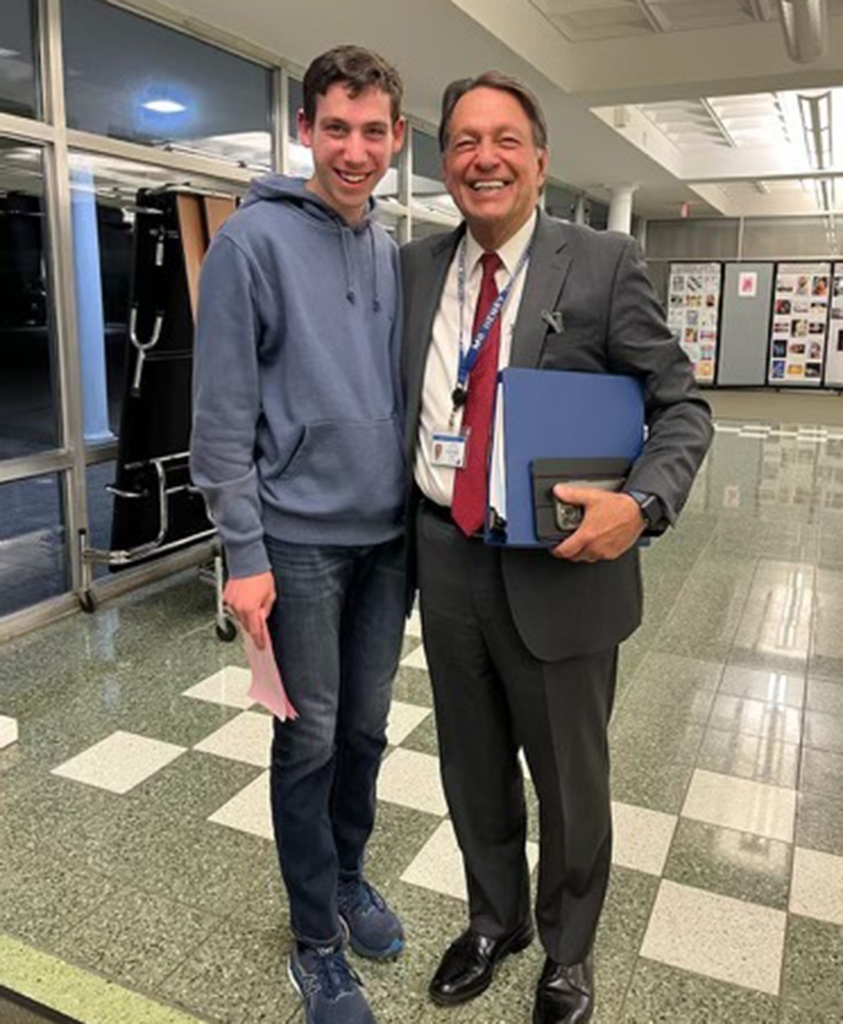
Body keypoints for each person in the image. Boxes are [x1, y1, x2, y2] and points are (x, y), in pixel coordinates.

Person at [400, 72, 713, 1024]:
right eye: (460, 141)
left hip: (562, 569)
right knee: (469, 763)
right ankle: (494, 920)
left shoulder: (604, 263)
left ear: (540, 160)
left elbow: (682, 408)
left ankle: (568, 952)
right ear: (442, 160)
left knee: (570, 781)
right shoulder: (415, 269)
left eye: (503, 140)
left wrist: (642, 506)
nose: (481, 158)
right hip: (447, 558)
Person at [191, 45, 407, 1024]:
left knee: (366, 727)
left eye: (373, 131)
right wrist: (242, 552)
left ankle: (349, 878)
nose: (354, 150)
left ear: (397, 138)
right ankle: (315, 941)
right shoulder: (250, 245)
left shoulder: (389, 251)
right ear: (305, 131)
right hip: (299, 543)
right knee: (308, 739)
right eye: (337, 128)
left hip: (387, 539)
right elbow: (221, 416)